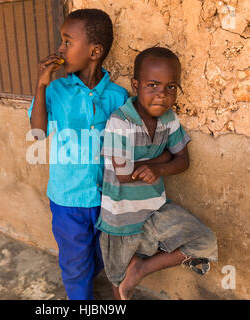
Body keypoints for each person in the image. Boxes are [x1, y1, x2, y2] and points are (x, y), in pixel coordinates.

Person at [96, 47, 218, 300]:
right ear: (135, 85)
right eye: (152, 85)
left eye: (170, 87)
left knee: (204, 241)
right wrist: (163, 158)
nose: (162, 95)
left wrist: (159, 166)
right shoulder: (120, 122)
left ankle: (142, 268)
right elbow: (123, 174)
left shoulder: (169, 119)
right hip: (120, 219)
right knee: (118, 282)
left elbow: (183, 160)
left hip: (155, 210)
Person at [28, 9, 129, 300]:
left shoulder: (117, 96)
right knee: (75, 265)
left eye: (67, 41)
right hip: (67, 199)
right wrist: (41, 84)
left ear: (94, 51)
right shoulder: (56, 90)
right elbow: (37, 131)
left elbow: (122, 146)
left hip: (106, 198)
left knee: (103, 256)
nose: (60, 48)